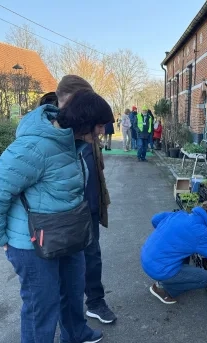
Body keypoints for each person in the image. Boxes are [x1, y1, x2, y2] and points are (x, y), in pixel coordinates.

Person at [0, 94, 102, 343]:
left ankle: (74, 331)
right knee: (41, 302)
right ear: (82, 123)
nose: (101, 132)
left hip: (66, 234)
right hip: (31, 243)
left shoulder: (74, 144)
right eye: (98, 126)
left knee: (73, 286)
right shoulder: (34, 147)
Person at [55, 76, 117, 323]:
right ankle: (69, 318)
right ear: (69, 99)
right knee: (67, 263)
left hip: (89, 205)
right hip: (66, 211)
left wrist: (100, 201)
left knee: (92, 256)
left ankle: (95, 302)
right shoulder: (55, 129)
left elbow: (96, 168)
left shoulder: (88, 126)